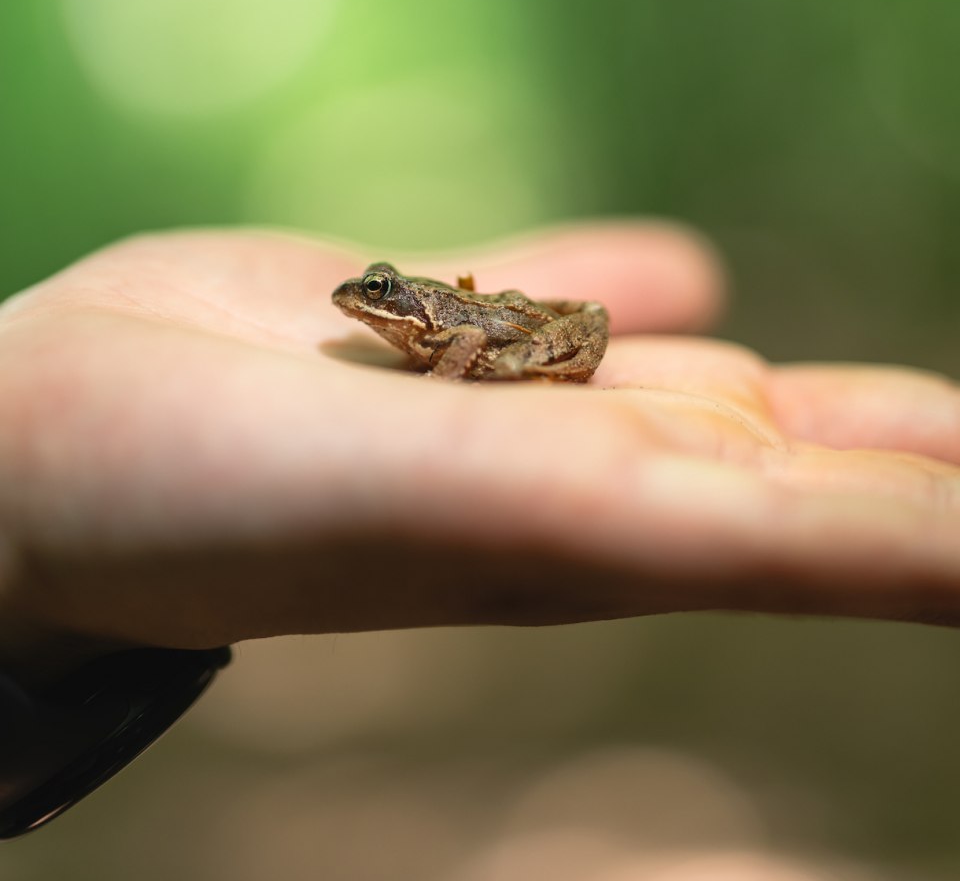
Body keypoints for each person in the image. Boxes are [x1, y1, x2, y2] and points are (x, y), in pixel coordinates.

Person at [1, 216, 957, 689]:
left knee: (557, 330)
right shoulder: (399, 321)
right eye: (376, 291)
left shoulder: (435, 327)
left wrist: (451, 387)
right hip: (505, 322)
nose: (368, 301)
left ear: (404, 298)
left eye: (380, 291)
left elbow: (462, 341)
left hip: (516, 335)